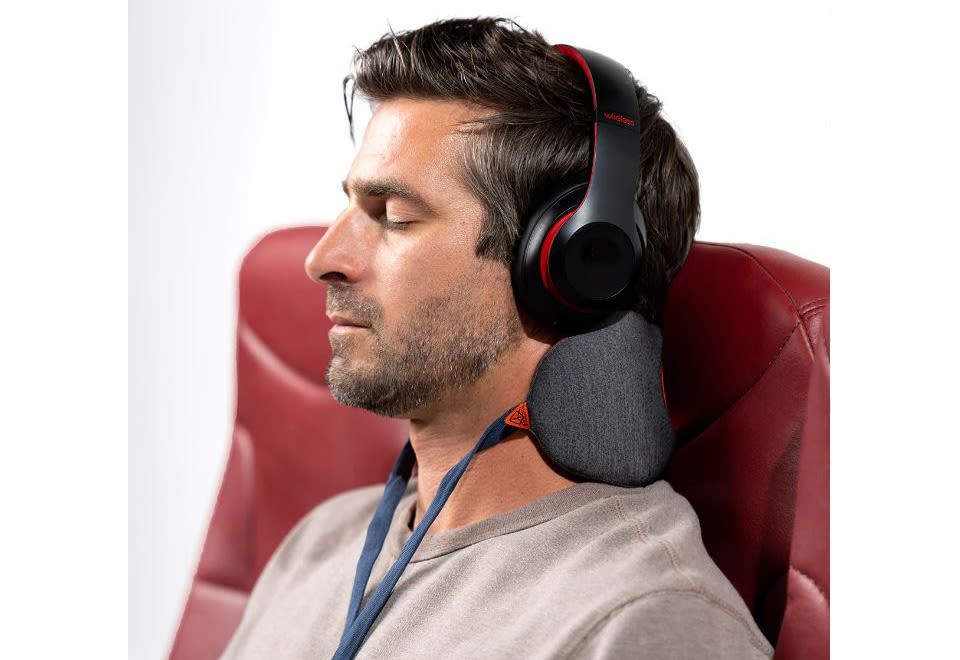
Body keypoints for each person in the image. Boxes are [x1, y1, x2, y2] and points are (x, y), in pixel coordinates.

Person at [218, 16, 774, 660]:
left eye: (393, 216)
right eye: (348, 207)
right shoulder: (319, 544)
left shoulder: (645, 619)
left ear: (571, 266)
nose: (322, 259)